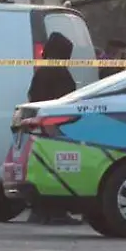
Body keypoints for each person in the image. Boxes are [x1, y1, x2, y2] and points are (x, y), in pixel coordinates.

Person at [26, 32, 81, 225]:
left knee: (43, 167)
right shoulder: (58, 72)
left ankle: (40, 210)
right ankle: (57, 211)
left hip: (40, 125)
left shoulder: (42, 71)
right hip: (55, 128)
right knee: (59, 167)